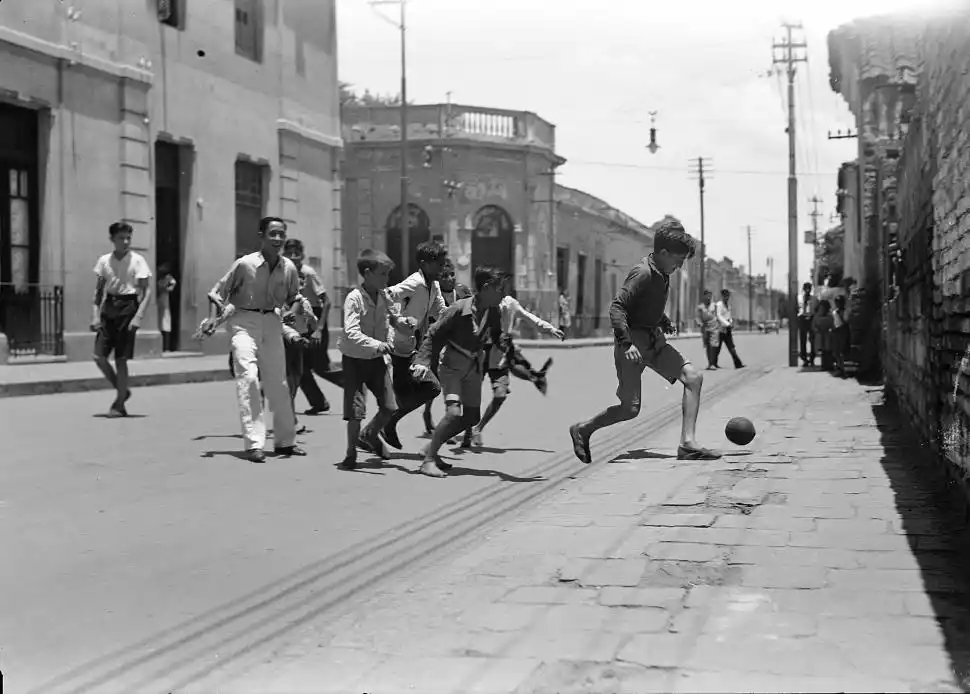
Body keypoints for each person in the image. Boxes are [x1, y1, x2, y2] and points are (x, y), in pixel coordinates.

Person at [568, 220, 721, 464]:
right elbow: (618, 308)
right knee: (630, 409)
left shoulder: (662, 271)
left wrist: (662, 319)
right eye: (678, 261)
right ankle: (583, 429)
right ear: (663, 253)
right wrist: (627, 344)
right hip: (632, 345)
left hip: (654, 340)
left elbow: (646, 303)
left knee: (693, 378)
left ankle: (687, 443)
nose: (680, 266)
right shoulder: (643, 273)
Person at [207, 217, 306, 463]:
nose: (278, 239)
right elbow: (217, 292)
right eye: (272, 234)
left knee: (278, 384)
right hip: (243, 322)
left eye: (281, 234)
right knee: (248, 378)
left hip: (272, 323)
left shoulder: (289, 268)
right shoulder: (244, 264)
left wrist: (292, 312)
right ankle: (254, 444)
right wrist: (213, 320)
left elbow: (294, 297)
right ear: (261, 236)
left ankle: (285, 442)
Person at [410, 266, 508, 478]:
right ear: (485, 288)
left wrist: (503, 341)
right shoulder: (458, 309)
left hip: (473, 368)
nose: (503, 293)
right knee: (454, 413)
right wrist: (422, 362)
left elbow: (497, 333)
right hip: (452, 367)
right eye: (499, 289)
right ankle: (427, 462)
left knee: (471, 417)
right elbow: (433, 335)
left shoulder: (493, 311)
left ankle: (431, 448)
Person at [463, 279, 564, 447]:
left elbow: (530, 318)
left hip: (499, 355)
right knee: (473, 394)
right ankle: (467, 429)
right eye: (496, 287)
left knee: (500, 395)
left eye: (503, 287)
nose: (500, 290)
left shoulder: (510, 304)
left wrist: (551, 329)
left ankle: (478, 428)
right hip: (479, 354)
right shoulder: (481, 303)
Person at [380, 240, 449, 450]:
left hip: (412, 346)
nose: (442, 268)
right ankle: (384, 424)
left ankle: (381, 427)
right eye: (438, 264)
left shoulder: (434, 286)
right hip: (400, 347)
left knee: (412, 392)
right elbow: (386, 294)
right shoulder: (415, 282)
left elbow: (442, 312)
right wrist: (396, 319)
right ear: (424, 263)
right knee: (431, 387)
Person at [337, 249, 397, 470]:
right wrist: (378, 345)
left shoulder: (386, 296)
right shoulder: (354, 298)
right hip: (355, 360)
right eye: (383, 274)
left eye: (387, 274)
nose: (386, 279)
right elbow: (351, 331)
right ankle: (351, 452)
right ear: (368, 273)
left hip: (377, 360)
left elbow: (389, 323)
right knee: (355, 411)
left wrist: (391, 339)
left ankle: (370, 435)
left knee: (390, 407)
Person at [91, 221, 153, 417]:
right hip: (109, 307)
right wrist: (95, 315)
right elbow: (99, 291)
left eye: (128, 238)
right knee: (99, 356)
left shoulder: (137, 260)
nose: (126, 241)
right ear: (112, 239)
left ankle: (119, 403)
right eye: (121, 238)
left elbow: (147, 290)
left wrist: (138, 316)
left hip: (128, 307)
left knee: (121, 359)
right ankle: (122, 390)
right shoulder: (104, 261)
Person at [282, 239, 343, 414]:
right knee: (300, 367)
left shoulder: (308, 273)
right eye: (289, 253)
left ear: (303, 255)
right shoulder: (285, 273)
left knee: (320, 366)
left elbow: (327, 302)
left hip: (313, 320)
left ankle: (354, 383)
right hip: (297, 321)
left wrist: (318, 329)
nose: (293, 257)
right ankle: (319, 402)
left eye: (297, 253)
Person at [422, 257, 472, 435]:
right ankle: (427, 412)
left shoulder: (463, 291)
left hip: (458, 344)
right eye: (445, 276)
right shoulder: (433, 295)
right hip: (439, 343)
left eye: (452, 275)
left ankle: (455, 425)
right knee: (435, 382)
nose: (450, 278)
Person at [281, 269, 318, 435]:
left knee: (296, 380)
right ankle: (290, 421)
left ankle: (289, 417)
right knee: (289, 382)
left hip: (300, 343)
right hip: (285, 343)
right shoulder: (280, 302)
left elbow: (312, 322)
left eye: (302, 282)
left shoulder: (304, 302)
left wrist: (314, 328)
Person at [714, 288, 745, 369]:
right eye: (725, 296)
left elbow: (728, 316)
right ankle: (713, 363)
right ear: (722, 296)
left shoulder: (728, 305)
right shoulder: (719, 305)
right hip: (720, 329)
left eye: (728, 296)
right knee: (717, 348)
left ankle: (738, 364)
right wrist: (727, 324)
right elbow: (719, 316)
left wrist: (730, 322)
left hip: (727, 330)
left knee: (731, 347)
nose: (726, 298)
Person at [695, 289, 720, 370]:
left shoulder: (714, 306)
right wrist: (700, 323)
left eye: (710, 295)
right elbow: (698, 317)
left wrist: (719, 323)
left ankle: (713, 363)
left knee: (713, 345)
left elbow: (717, 316)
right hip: (705, 328)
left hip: (714, 327)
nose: (709, 297)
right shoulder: (700, 307)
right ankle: (710, 363)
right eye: (707, 295)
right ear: (704, 296)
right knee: (708, 346)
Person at [156, 262, 177, 352]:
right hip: (158, 301)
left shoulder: (168, 278)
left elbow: (172, 284)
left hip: (165, 301)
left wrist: (166, 287)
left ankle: (166, 347)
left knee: (166, 323)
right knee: (161, 323)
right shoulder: (157, 276)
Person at [797, 282, 818, 367]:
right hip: (802, 318)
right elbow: (796, 308)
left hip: (811, 318)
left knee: (812, 340)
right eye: (806, 288)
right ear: (803, 289)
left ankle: (812, 358)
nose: (807, 290)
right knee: (803, 340)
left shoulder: (814, 298)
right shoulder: (799, 298)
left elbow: (816, 309)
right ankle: (804, 358)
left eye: (809, 288)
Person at [814, 299, 835, 371]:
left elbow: (833, 325)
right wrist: (817, 330)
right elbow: (814, 325)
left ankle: (829, 365)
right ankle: (824, 365)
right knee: (823, 352)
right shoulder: (817, 316)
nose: (821, 308)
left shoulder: (830, 315)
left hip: (828, 335)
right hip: (821, 335)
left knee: (828, 351)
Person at [832, 294, 849, 377]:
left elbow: (846, 322)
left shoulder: (845, 311)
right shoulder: (834, 312)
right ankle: (839, 367)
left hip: (843, 330)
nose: (838, 304)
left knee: (841, 351)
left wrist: (841, 315)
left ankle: (842, 369)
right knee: (836, 351)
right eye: (837, 302)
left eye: (840, 302)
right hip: (836, 331)